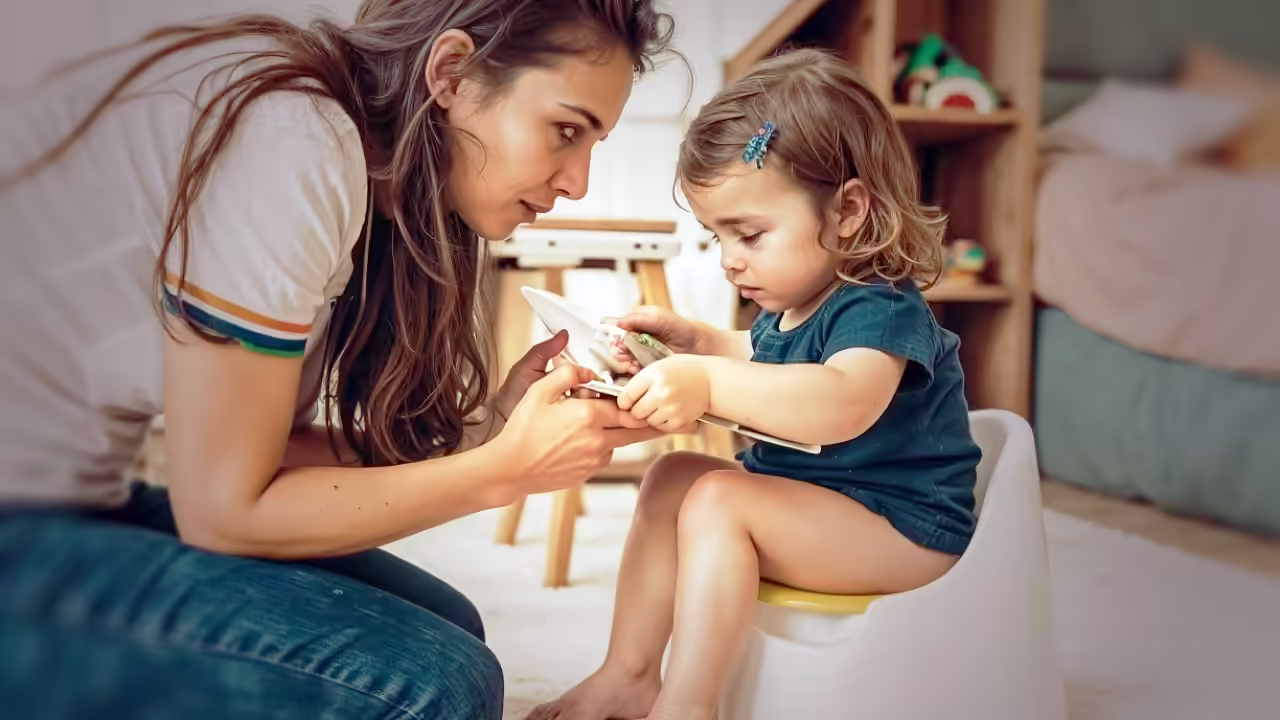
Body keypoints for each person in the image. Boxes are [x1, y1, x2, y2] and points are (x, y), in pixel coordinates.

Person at [0, 1, 676, 717]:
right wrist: (502, 472)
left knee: (452, 626)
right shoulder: (291, 140)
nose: (577, 182)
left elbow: (265, 457)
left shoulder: (349, 162)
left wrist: (490, 430)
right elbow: (224, 513)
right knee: (431, 685)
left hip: (77, 502)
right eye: (565, 131)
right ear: (451, 72)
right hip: (22, 526)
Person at [528, 48, 984, 720]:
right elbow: (772, 359)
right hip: (826, 505)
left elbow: (838, 402)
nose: (730, 261)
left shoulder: (880, 304)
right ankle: (626, 674)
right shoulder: (791, 304)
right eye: (718, 237)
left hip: (902, 528)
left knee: (718, 498)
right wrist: (699, 344)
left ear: (849, 210)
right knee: (672, 479)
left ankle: (690, 704)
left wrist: (706, 380)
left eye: (750, 234)